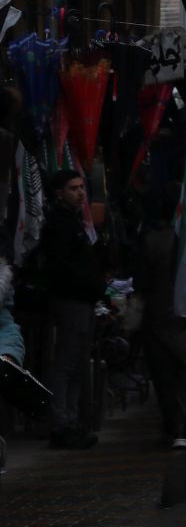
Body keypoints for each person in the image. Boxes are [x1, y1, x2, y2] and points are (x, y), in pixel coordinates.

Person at [34, 169, 103, 449]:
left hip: (83, 301)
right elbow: (62, 268)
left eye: (82, 187)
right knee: (65, 363)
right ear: (60, 192)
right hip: (71, 301)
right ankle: (61, 423)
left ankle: (71, 421)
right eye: (73, 188)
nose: (80, 192)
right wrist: (89, 286)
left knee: (76, 366)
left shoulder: (75, 221)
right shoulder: (58, 225)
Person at [136, 188, 186, 448]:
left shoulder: (152, 239)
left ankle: (175, 426)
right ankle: (183, 427)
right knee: (183, 373)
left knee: (164, 375)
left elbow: (142, 280)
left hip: (159, 313)